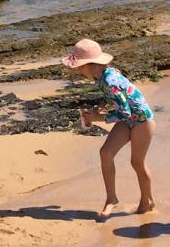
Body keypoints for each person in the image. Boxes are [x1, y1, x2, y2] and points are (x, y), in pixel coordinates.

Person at [63, 39, 156, 219]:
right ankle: (111, 199)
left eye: (80, 67)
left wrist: (99, 118)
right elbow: (115, 100)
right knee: (105, 153)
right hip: (129, 119)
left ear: (91, 65)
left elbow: (126, 112)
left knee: (137, 162)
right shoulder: (102, 77)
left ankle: (147, 200)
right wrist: (101, 106)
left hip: (142, 121)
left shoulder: (109, 81)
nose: (78, 71)